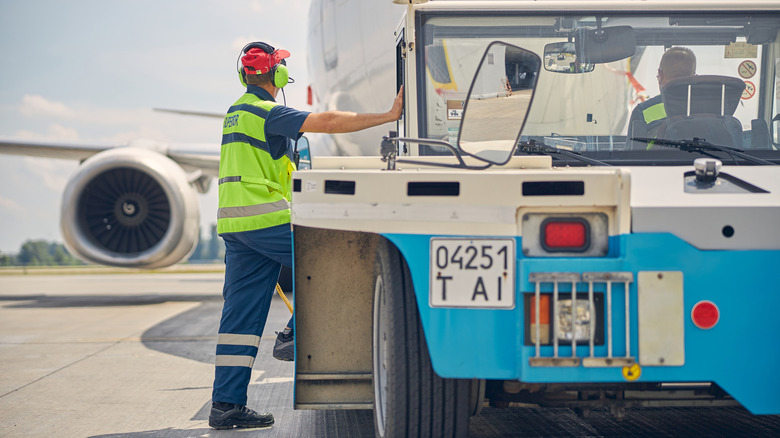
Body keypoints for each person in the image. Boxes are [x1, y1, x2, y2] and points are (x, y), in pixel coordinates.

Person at [209, 41, 403, 430]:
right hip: (264, 218)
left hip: (235, 227)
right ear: (277, 75)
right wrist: (388, 115)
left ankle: (226, 406)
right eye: (282, 68)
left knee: (240, 318)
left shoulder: (235, 113)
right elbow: (328, 123)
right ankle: (293, 336)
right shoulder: (266, 112)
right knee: (333, 263)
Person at [627, 47, 696, 149]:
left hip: (657, 164)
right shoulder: (715, 109)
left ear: (660, 75)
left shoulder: (643, 111)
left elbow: (632, 158)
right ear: (694, 78)